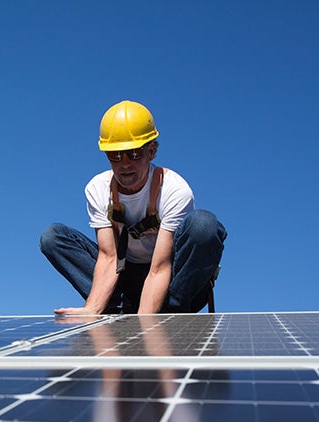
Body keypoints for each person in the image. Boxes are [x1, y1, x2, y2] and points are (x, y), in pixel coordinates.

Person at [40, 100, 226, 316]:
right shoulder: (98, 189)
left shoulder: (174, 190)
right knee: (53, 237)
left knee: (203, 225)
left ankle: (171, 310)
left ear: (152, 151)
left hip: (171, 280)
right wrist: (92, 308)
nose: (125, 163)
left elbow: (159, 268)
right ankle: (115, 304)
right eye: (116, 155)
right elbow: (109, 257)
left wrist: (143, 327)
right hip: (125, 279)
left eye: (135, 153)